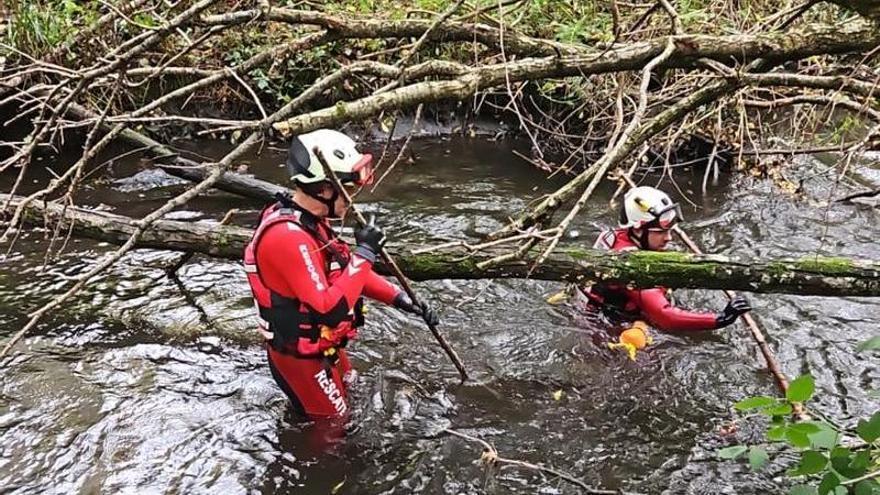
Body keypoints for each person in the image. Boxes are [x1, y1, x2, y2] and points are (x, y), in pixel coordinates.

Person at [243, 128, 438, 419]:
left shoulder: (312, 222)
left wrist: (400, 299)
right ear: (323, 188)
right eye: (348, 187)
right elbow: (329, 309)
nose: (353, 197)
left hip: (322, 349)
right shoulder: (287, 237)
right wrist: (366, 253)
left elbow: (349, 274)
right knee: (333, 432)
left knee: (354, 394)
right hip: (301, 362)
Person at [582, 186, 751, 333]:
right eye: (661, 232)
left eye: (670, 231)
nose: (669, 238)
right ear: (639, 230)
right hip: (607, 324)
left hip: (601, 306)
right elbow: (665, 317)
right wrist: (721, 319)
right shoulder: (631, 265)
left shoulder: (618, 236)